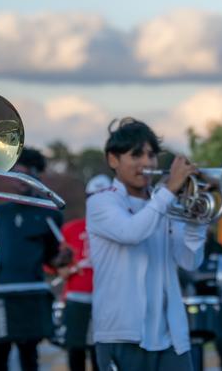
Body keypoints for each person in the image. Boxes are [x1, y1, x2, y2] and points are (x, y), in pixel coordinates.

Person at [87, 118, 207, 370]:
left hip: (171, 338)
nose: (147, 163)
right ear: (113, 160)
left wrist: (197, 222)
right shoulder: (101, 203)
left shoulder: (165, 203)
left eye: (151, 155)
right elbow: (132, 231)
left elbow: (189, 261)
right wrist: (170, 191)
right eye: (136, 155)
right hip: (121, 335)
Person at [0, 148, 67, 371]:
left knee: (29, 355)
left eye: (27, 173)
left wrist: (62, 259)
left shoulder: (50, 212)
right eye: (16, 172)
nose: (21, 179)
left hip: (31, 291)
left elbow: (53, 260)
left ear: (37, 175)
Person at [55, 174, 109, 371]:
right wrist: (66, 268)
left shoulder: (120, 228)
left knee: (101, 350)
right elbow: (56, 265)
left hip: (107, 299)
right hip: (77, 298)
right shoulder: (71, 229)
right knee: (75, 348)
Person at [181, 230, 222, 371]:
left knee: (220, 335)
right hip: (191, 299)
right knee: (195, 338)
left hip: (214, 299)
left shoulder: (218, 248)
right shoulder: (185, 245)